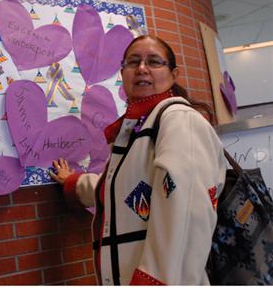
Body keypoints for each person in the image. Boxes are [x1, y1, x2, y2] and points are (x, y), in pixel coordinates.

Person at [50, 35, 226, 285]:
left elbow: (185, 211)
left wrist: (154, 282)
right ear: (122, 73)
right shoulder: (139, 127)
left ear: (173, 74)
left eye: (154, 62)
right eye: (133, 62)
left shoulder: (179, 120)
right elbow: (121, 189)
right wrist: (74, 183)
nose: (142, 68)